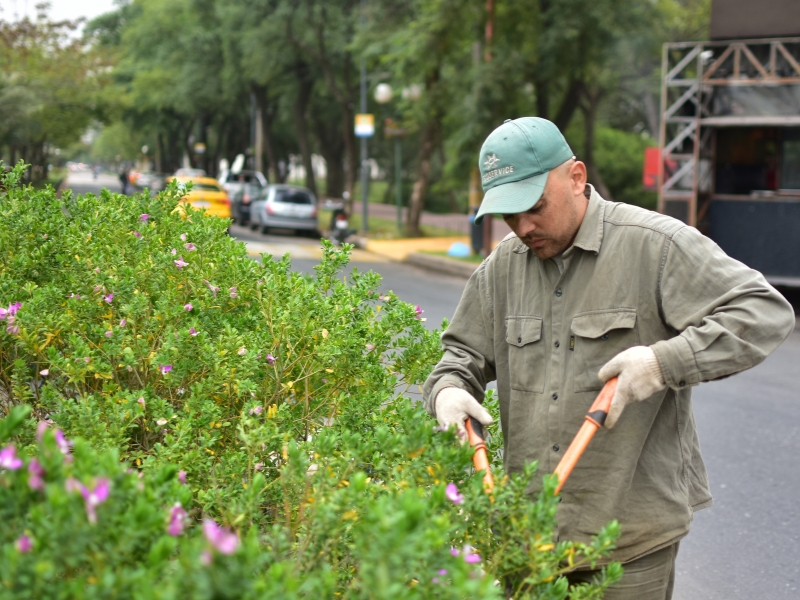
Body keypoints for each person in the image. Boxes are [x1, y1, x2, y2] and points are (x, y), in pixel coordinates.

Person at [422, 117, 795, 599]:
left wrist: (664, 363)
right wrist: (448, 391)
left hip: (629, 545)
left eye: (534, 207)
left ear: (576, 178)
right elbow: (461, 355)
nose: (523, 227)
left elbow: (764, 311)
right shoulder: (502, 268)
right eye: (508, 215)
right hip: (526, 539)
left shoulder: (654, 245)